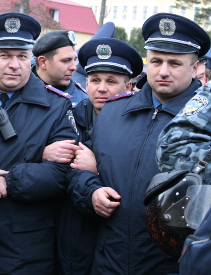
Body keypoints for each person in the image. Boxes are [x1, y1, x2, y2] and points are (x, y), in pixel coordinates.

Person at [66, 13, 210, 275]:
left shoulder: (204, 122)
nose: (163, 71)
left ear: (195, 67)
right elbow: (79, 171)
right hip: (109, 260)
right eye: (156, 61)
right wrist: (91, 191)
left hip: (172, 264)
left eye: (174, 63)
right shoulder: (112, 113)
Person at [0, 12, 79, 274]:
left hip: (23, 248)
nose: (14, 65)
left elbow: (61, 173)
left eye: (22, 56)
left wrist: (7, 181)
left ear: (32, 59)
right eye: (5, 55)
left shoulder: (56, 106)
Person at [43, 37, 143, 275]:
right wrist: (44, 153)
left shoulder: (140, 125)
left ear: (128, 87)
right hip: (67, 229)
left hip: (114, 234)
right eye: (95, 80)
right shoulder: (67, 117)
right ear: (85, 83)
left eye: (111, 81)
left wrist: (98, 169)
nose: (102, 88)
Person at [32, 30, 88, 108]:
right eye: (66, 60)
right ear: (43, 62)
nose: (74, 67)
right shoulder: (17, 90)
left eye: (74, 60)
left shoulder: (83, 99)